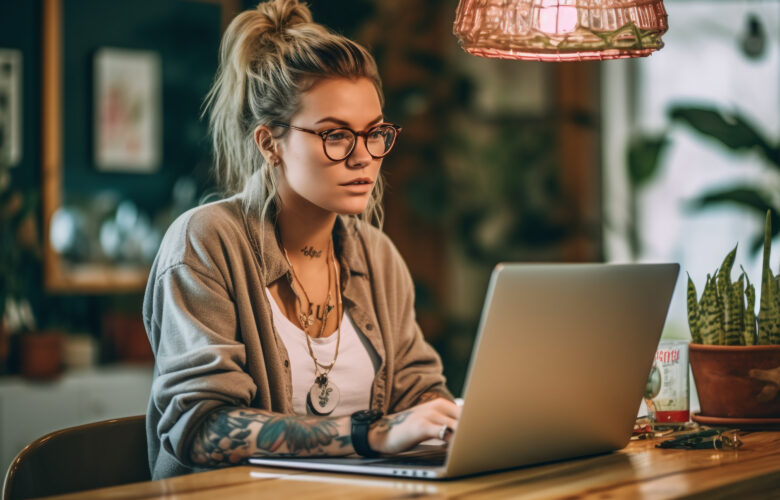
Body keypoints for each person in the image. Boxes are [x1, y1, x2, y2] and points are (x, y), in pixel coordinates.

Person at [144, 0, 460, 480]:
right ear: (269, 143)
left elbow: (420, 392)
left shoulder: (378, 257)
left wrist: (453, 420)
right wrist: (369, 434)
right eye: (335, 136)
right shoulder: (205, 242)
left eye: (375, 134)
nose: (364, 159)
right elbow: (202, 425)